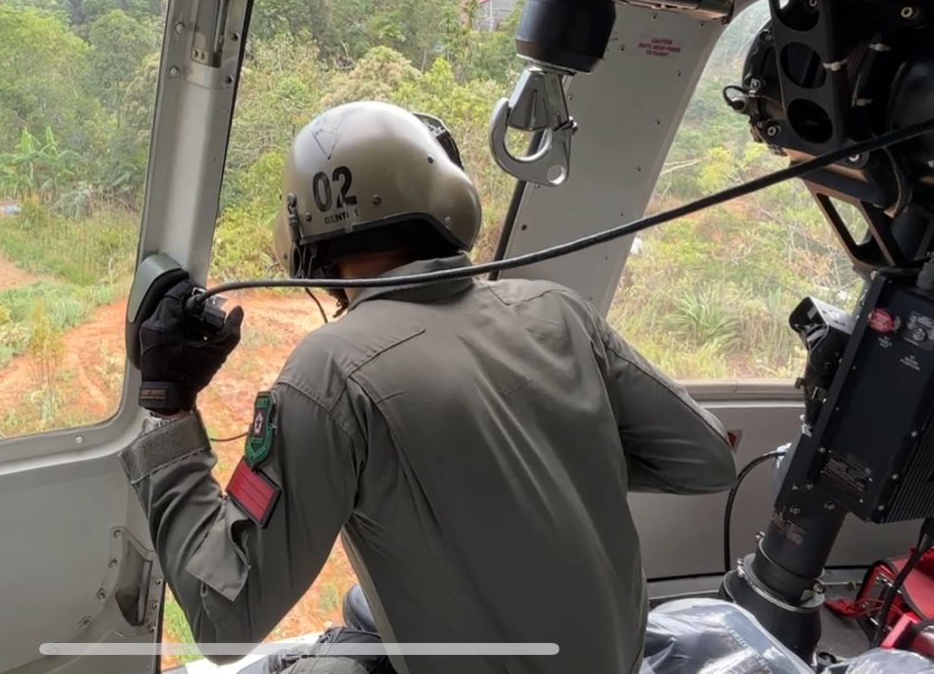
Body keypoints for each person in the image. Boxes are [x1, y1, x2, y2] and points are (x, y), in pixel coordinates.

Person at [122, 101, 737, 673]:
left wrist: (167, 410)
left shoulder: (331, 371)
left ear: (306, 234)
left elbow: (223, 618)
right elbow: (708, 460)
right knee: (366, 606)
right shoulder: (557, 309)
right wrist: (555, 449)